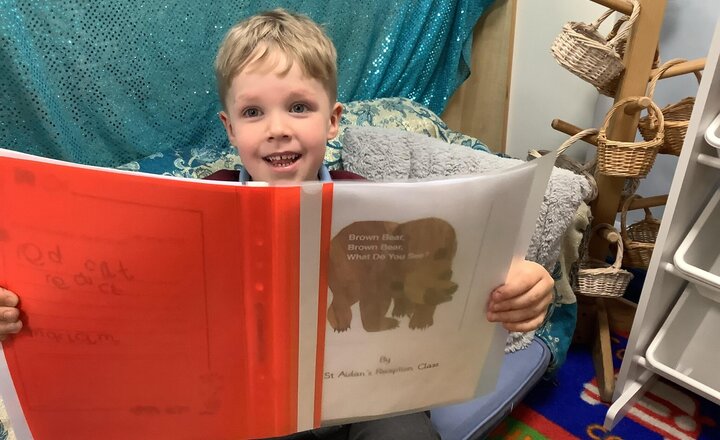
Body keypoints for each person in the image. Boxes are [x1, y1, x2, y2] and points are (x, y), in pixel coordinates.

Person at [0, 8, 553, 440]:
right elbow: (111, 301)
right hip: (238, 406)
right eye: (253, 112)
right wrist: (22, 309)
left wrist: (517, 284)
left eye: (299, 107)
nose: (277, 129)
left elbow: (452, 281)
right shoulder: (193, 206)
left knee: (405, 432)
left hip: (361, 402)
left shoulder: (381, 208)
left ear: (333, 120)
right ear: (230, 129)